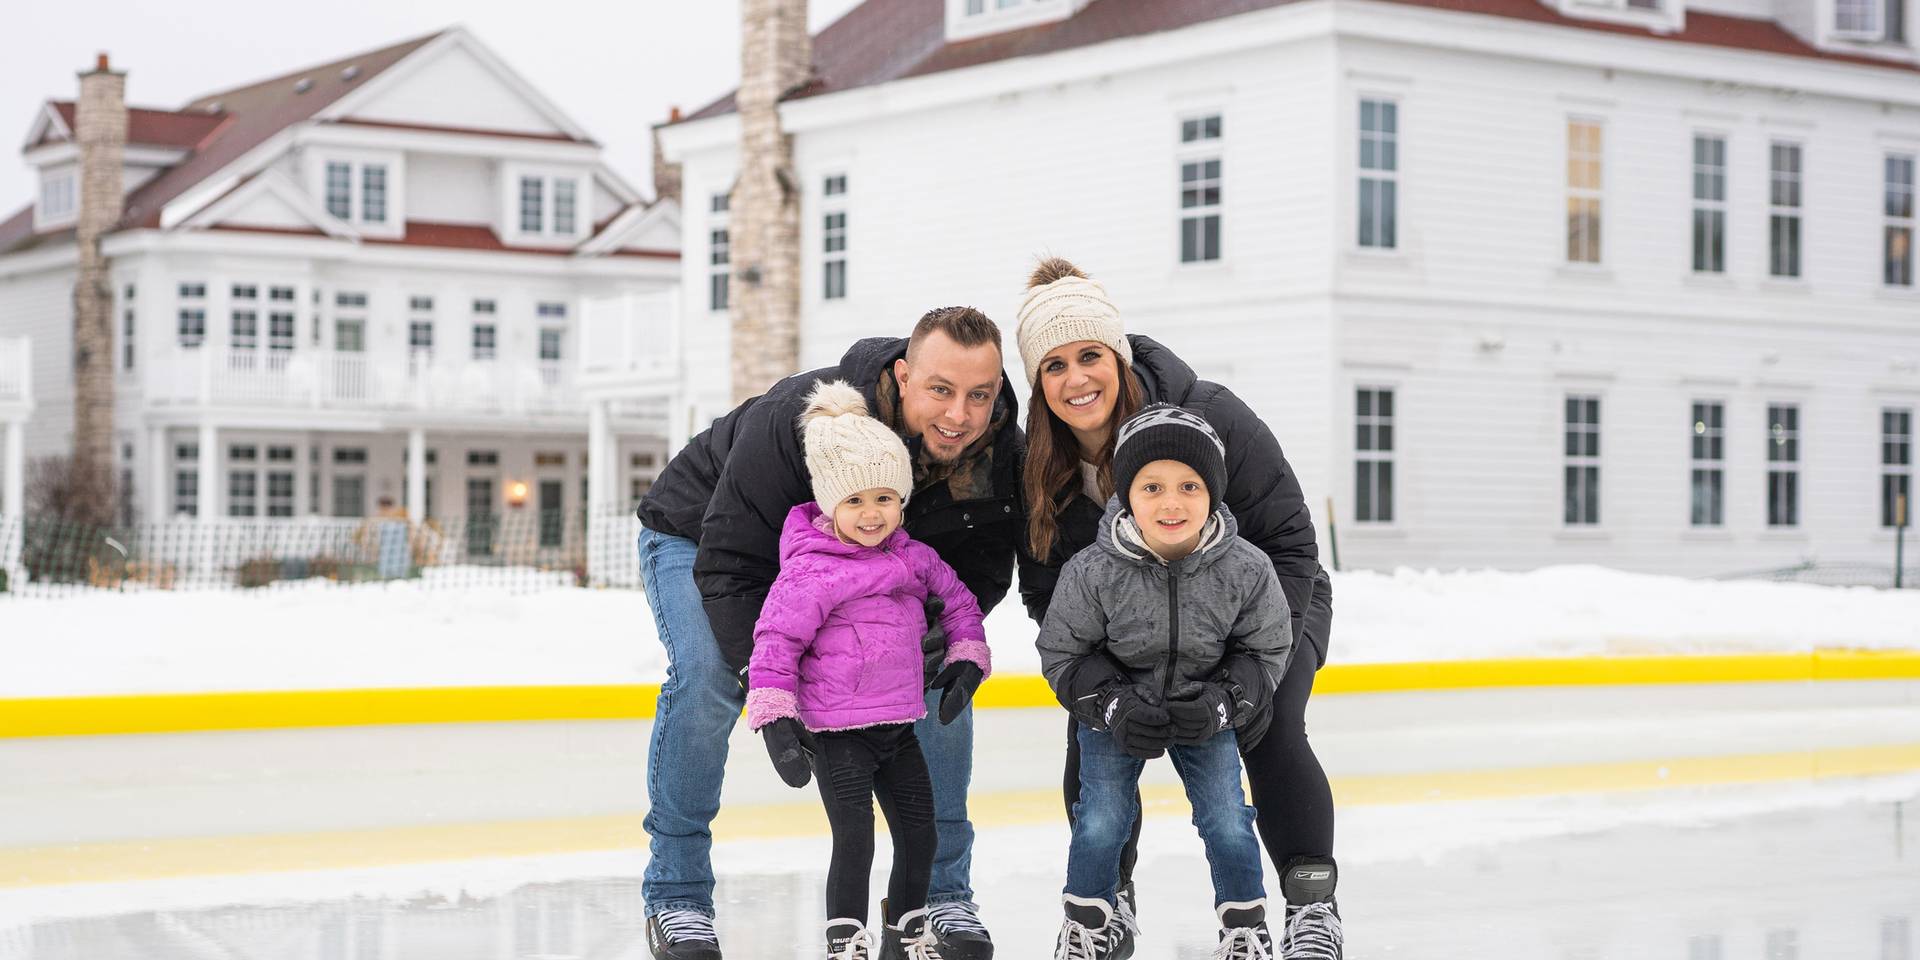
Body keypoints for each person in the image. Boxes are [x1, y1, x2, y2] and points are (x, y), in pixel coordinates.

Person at [633, 307, 1023, 960]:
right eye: (940, 390)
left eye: (978, 394)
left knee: (927, 671)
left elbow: (980, 564)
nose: (960, 414)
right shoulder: (802, 418)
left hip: (862, 559)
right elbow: (732, 561)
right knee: (707, 677)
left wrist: (949, 641)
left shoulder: (995, 445)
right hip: (703, 533)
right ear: (902, 377)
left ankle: (940, 896)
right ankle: (677, 895)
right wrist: (772, 684)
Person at [1014, 258, 1343, 959]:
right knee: (1096, 735)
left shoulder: (1210, 416)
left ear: (1120, 355)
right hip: (1130, 633)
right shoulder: (1042, 465)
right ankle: (1108, 906)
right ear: (1039, 384)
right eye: (1054, 366)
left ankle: (1312, 907)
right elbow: (1050, 595)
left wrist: (1245, 672)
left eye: (1091, 356)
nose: (1076, 379)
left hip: (1265, 606)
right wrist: (1101, 687)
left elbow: (1290, 540)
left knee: (1270, 725)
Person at [746, 380, 993, 960]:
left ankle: (907, 932)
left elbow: (960, 603)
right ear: (831, 506)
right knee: (854, 839)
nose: (871, 514)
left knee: (921, 834)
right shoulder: (811, 571)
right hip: (839, 735)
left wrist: (966, 658)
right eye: (854, 501)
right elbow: (775, 642)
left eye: (884, 498)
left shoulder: (914, 557)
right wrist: (776, 715)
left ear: (901, 501)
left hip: (899, 728)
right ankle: (846, 940)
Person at [1037, 405, 1291, 960]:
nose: (1171, 503)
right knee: (1101, 819)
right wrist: (1111, 705)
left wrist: (1224, 703)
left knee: (1227, 817)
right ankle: (1086, 923)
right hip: (1119, 709)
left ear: (1214, 493)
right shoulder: (1092, 570)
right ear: (1127, 494)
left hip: (1203, 705)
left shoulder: (1246, 568)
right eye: (1151, 486)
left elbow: (1268, 649)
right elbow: (1062, 652)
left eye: (1189, 486)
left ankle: (1246, 928)